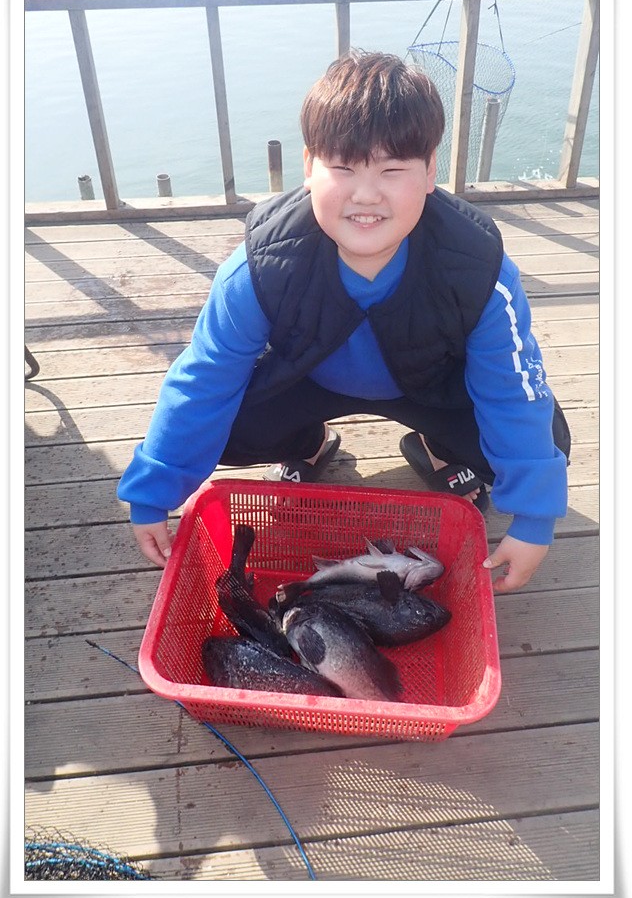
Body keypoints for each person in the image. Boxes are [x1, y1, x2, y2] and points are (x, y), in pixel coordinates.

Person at [117, 50, 570, 593]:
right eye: (344, 167)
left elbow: (511, 390)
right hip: (308, 379)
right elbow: (205, 376)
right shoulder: (262, 267)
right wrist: (152, 493)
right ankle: (304, 444)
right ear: (309, 167)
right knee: (223, 422)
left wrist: (534, 519)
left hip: (430, 385)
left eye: (393, 170)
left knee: (548, 438)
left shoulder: (477, 269)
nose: (366, 194)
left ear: (430, 171)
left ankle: (439, 447)